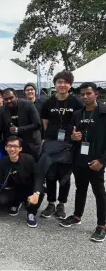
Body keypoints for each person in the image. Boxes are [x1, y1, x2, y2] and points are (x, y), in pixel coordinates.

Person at [59, 82, 106, 242]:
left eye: (88, 93)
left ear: (96, 93)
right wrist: (72, 138)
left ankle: (102, 225)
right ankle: (77, 216)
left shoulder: (104, 113)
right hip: (79, 159)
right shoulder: (78, 114)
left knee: (99, 193)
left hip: (96, 161)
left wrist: (102, 160)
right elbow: (68, 135)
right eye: (82, 94)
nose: (85, 97)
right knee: (80, 189)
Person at [40, 71, 83, 220]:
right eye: (59, 82)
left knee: (64, 177)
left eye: (65, 82)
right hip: (52, 143)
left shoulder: (76, 102)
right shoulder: (48, 102)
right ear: (55, 84)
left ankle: (61, 204)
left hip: (68, 144)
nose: (62, 85)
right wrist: (47, 138)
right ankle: (51, 203)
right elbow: (45, 122)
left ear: (70, 85)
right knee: (50, 175)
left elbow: (80, 122)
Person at [0, 136, 44, 227]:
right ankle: (16, 203)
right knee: (2, 200)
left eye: (15, 146)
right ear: (5, 147)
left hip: (28, 187)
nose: (12, 149)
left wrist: (36, 193)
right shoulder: (3, 161)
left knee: (41, 191)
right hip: (14, 188)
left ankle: (31, 213)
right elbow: (0, 179)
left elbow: (38, 176)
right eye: (9, 146)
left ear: (20, 148)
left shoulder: (29, 159)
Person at [0, 88, 42, 160]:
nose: (9, 101)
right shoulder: (3, 109)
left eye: (11, 98)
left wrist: (18, 129)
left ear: (16, 96)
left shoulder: (28, 105)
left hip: (31, 143)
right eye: (6, 99)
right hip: (13, 145)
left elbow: (37, 124)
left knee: (32, 167)